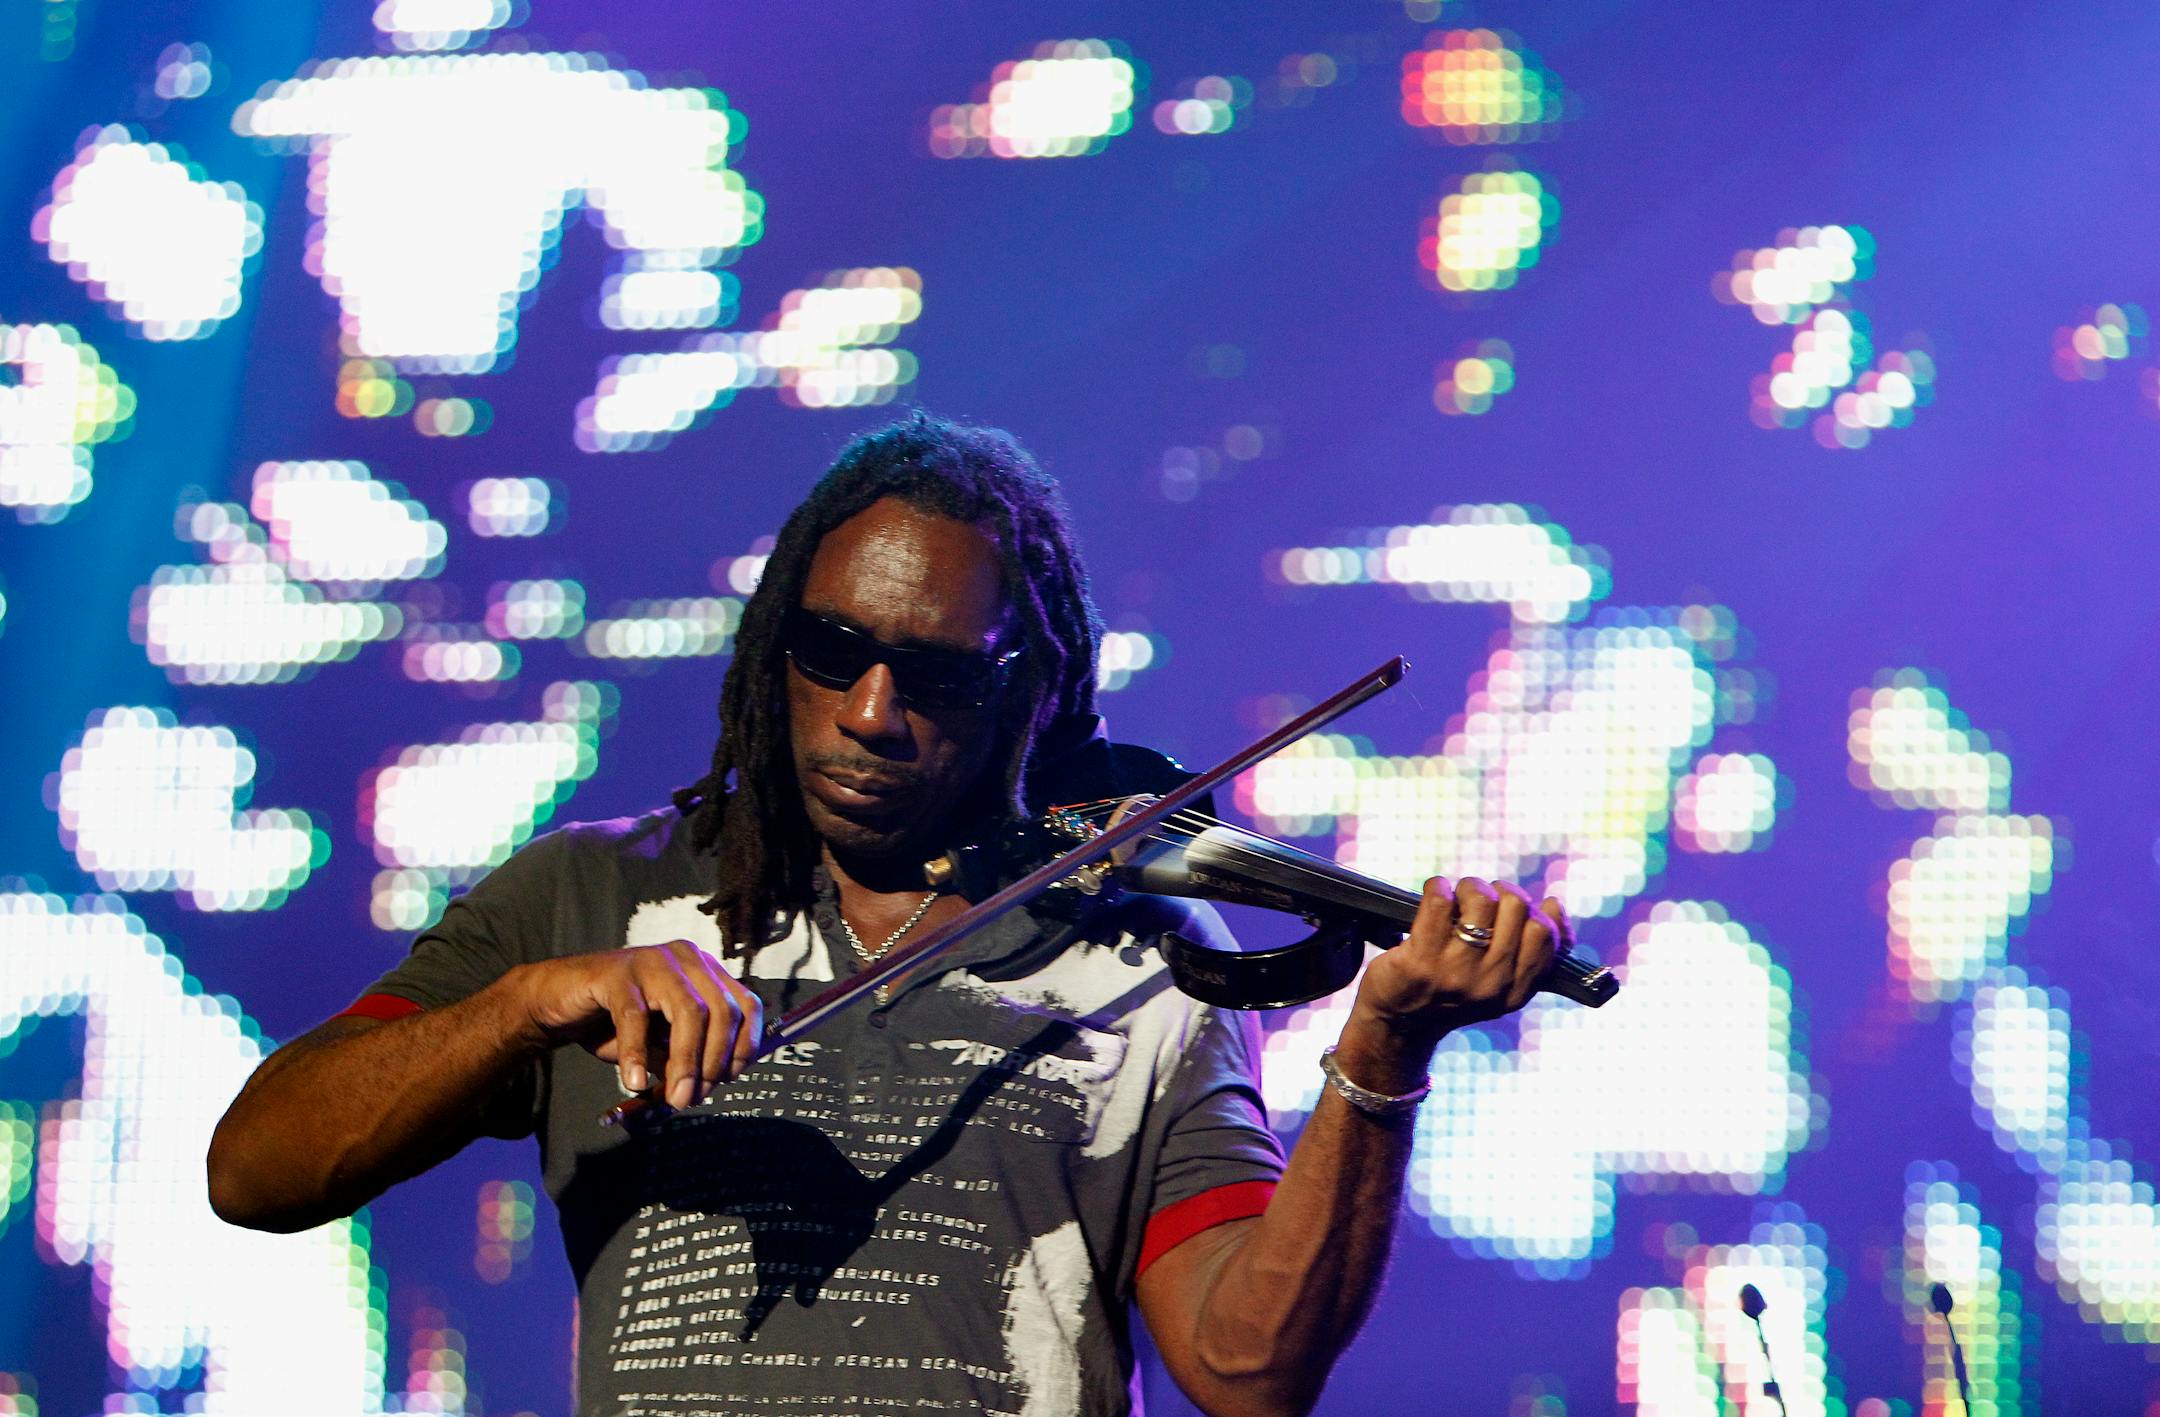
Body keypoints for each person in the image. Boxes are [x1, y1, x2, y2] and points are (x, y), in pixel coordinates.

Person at [208, 412, 1568, 1417]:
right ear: (771, 648)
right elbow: (258, 1165)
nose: (869, 712)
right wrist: (523, 1005)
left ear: (1029, 691)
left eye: (933, 677)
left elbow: (1247, 1364)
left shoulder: (1137, 956)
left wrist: (1381, 1058)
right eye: (832, 651)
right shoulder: (591, 894)